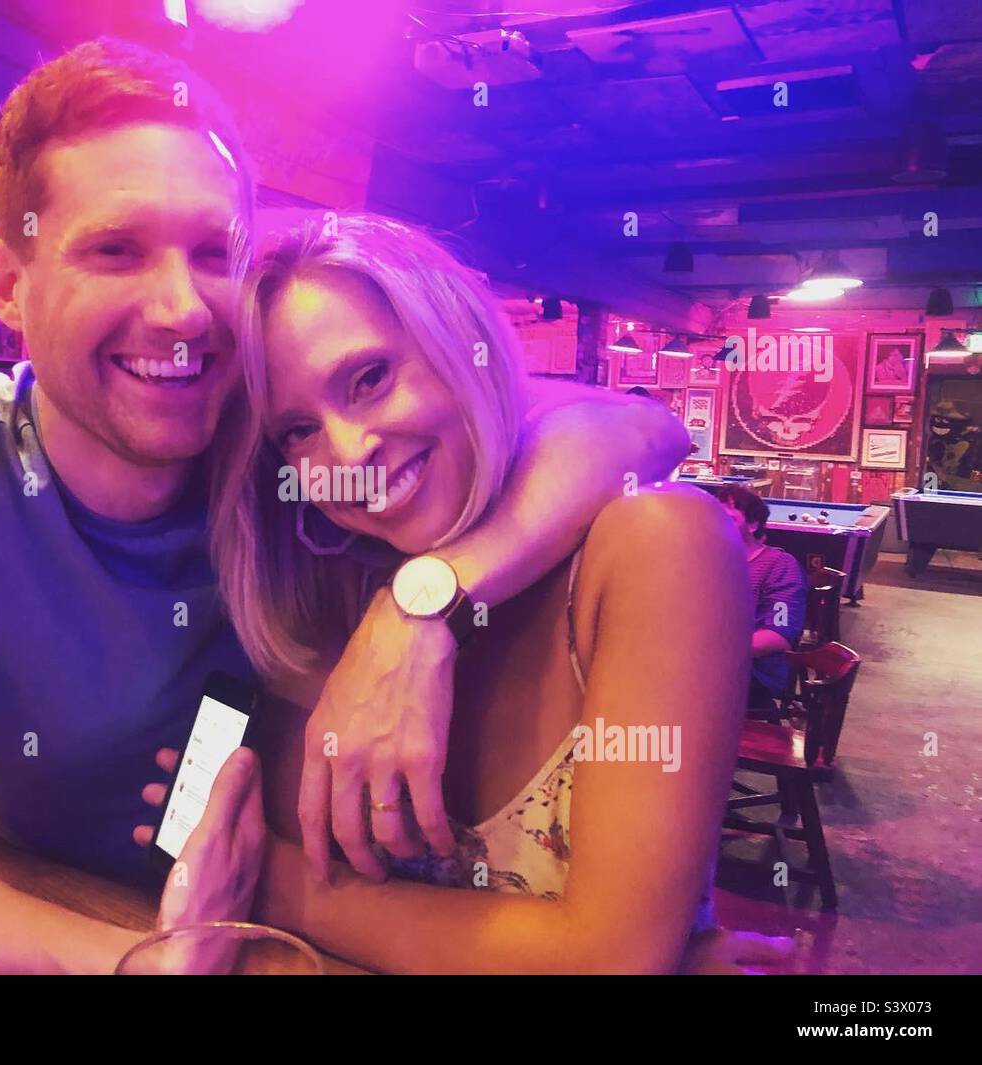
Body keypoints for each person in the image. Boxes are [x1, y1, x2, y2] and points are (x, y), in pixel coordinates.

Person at [0, 37, 691, 974]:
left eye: (214, 251)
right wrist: (154, 963)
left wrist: (422, 601)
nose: (182, 309)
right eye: (115, 250)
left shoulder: (285, 430)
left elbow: (637, 430)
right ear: (9, 286)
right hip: (84, 928)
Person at [157, 213, 761, 973]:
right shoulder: (327, 583)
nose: (350, 453)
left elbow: (608, 962)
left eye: (370, 378)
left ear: (458, 344)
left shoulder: (656, 546)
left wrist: (267, 890)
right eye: (299, 431)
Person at [716, 484, 808, 707]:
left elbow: (778, 636)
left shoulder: (779, 565)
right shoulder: (708, 561)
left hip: (753, 676)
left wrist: (711, 653)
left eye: (728, 518)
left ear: (753, 524)